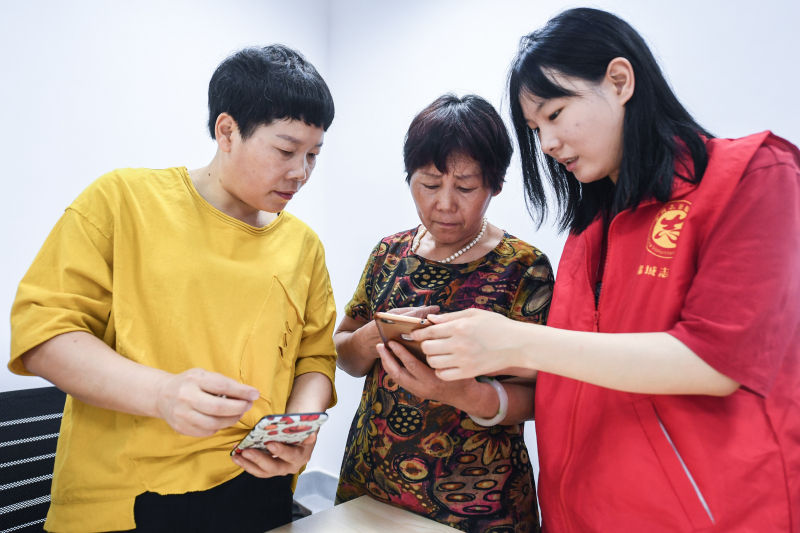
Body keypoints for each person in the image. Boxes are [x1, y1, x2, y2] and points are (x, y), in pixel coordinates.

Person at [412, 8, 800, 532]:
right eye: (535, 128)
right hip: (574, 514)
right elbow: (580, 373)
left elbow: (716, 362)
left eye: (555, 114)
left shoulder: (754, 174)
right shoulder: (589, 231)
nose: (547, 144)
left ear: (619, 81)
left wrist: (514, 342)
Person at [8, 45, 338, 533]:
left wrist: (300, 429)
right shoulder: (123, 201)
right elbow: (44, 334)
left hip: (257, 484)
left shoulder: (303, 245)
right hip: (128, 497)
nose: (301, 172)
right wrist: (161, 394)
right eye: (286, 151)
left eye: (313, 155)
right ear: (227, 131)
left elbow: (315, 357)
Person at [334, 94, 553, 533]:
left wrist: (461, 393)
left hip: (478, 500)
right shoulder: (389, 253)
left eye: (466, 187)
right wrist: (372, 337)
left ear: (495, 185)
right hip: (373, 479)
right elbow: (345, 355)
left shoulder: (524, 268)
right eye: (429, 185)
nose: (445, 204)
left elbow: (542, 396)